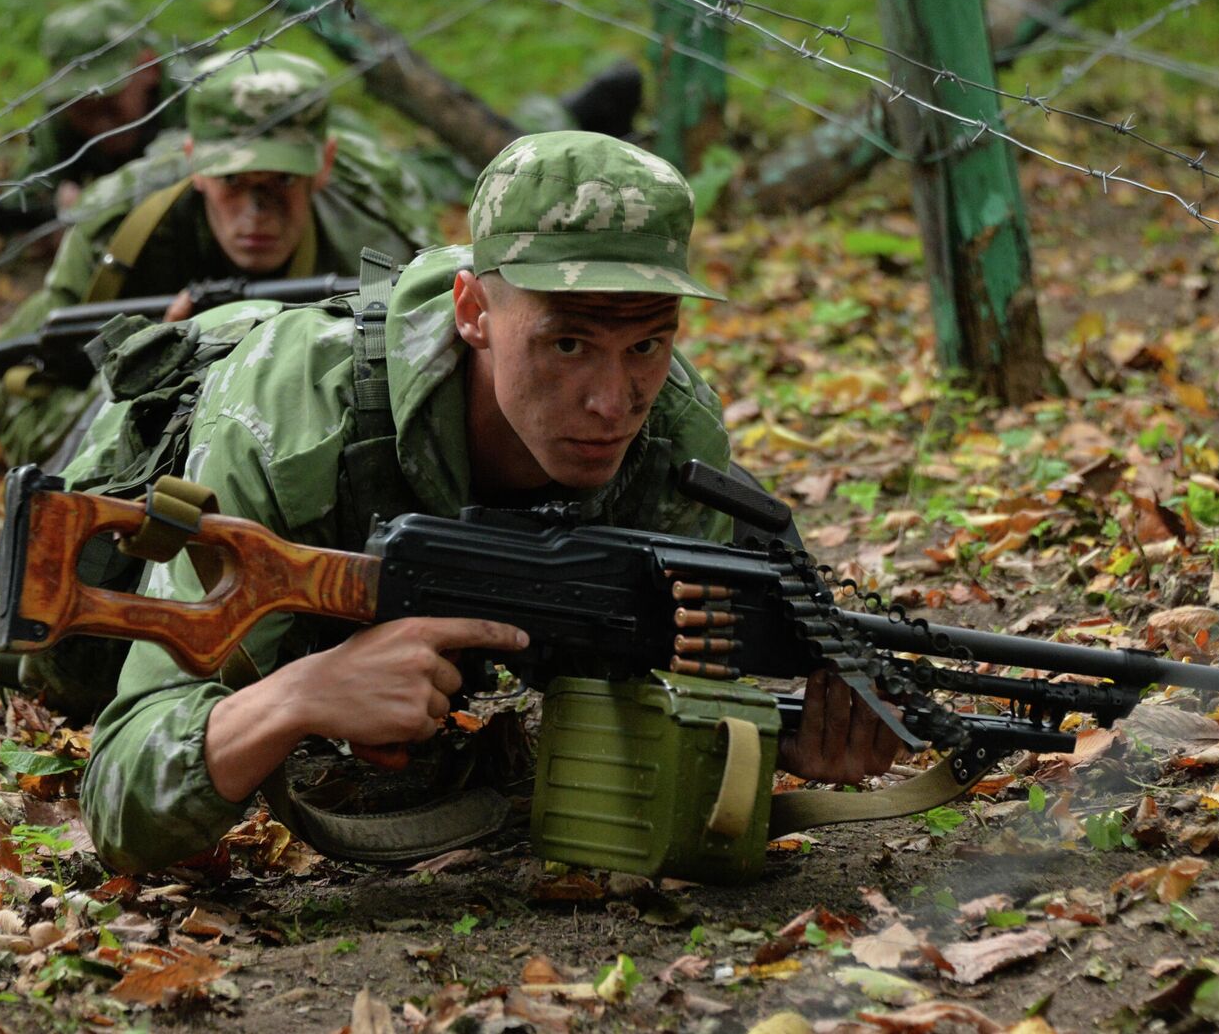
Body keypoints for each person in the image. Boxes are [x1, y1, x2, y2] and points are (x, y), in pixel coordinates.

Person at [78, 131, 901, 874]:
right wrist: (302, 695)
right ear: (472, 311)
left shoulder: (673, 437)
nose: (613, 403)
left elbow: (645, 686)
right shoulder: (292, 432)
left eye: (647, 343)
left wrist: (770, 737)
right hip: (170, 442)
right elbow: (118, 798)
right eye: (568, 343)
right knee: (58, 659)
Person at [0, 49, 434, 468]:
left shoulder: (377, 244)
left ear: (323, 167)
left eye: (282, 182)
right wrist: (147, 375)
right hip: (86, 362)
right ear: (195, 165)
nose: (256, 213)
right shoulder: (120, 227)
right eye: (234, 183)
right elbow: (50, 384)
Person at [20, 0, 188, 211]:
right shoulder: (59, 116)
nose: (100, 127)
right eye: (83, 110)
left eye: (109, 105)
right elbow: (24, 197)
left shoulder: (191, 95)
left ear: (149, 67)